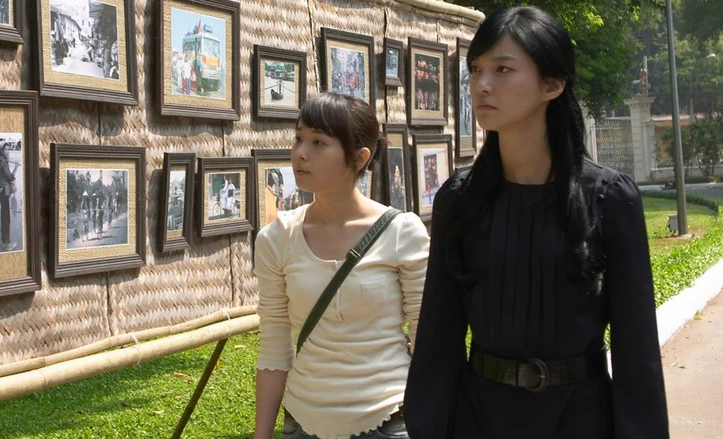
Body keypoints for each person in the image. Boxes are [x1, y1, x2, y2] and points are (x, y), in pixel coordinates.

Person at [403, 6, 669, 439]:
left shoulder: (608, 197)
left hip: (581, 420)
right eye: (476, 69)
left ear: (552, 84)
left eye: (503, 69)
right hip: (480, 418)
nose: (482, 85)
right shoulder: (460, 199)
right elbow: (438, 337)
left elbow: (636, 348)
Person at [253, 92, 430, 439]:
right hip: (303, 422)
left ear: (360, 157)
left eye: (319, 142)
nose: (300, 153)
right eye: (298, 138)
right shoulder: (277, 237)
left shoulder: (402, 232)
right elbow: (274, 346)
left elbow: (428, 338)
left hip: (388, 420)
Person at [0, 141, 16, 251]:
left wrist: (16, 168)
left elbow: (9, 176)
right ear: (1, 150)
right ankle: (6, 243)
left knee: (5, 215)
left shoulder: (3, 160)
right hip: (4, 190)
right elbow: (9, 176)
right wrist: (13, 180)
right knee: (6, 216)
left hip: (4, 190)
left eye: (9, 149)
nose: (8, 151)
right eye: (5, 149)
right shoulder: (2, 161)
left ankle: (5, 240)